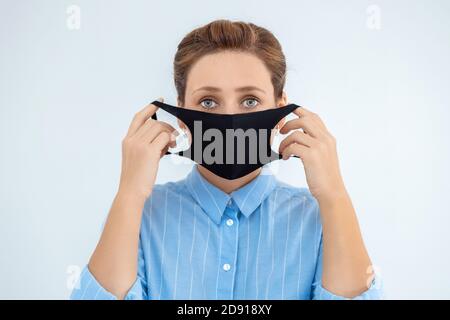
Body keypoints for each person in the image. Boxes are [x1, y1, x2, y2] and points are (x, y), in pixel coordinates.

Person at [70, 19, 382, 300]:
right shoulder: (142, 215)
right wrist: (129, 194)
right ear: (181, 113)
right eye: (208, 101)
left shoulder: (318, 219)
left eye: (250, 100)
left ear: (280, 106)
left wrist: (334, 194)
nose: (230, 117)